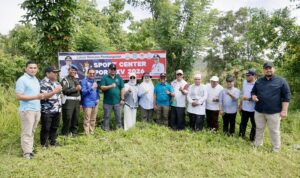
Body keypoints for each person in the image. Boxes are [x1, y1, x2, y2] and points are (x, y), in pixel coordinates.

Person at [251, 62, 291, 152]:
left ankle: (276, 148)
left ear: (274, 69)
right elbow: (253, 92)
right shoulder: (259, 81)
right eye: (266, 68)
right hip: (259, 111)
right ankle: (258, 144)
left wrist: (284, 110)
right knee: (259, 128)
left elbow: (287, 96)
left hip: (274, 112)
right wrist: (253, 96)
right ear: (263, 70)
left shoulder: (281, 81)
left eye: (270, 68)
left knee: (274, 131)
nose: (268, 70)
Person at [16, 61, 43, 159]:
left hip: (36, 109)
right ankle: (27, 153)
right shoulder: (22, 80)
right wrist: (36, 96)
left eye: (35, 68)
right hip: (27, 110)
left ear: (37, 69)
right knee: (27, 132)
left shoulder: (35, 79)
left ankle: (29, 150)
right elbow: (18, 96)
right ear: (26, 69)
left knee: (32, 131)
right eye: (31, 68)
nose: (33, 69)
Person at [40, 66, 63, 148]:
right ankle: (44, 144)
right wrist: (54, 91)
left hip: (57, 109)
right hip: (47, 110)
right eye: (54, 72)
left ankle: (53, 142)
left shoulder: (57, 83)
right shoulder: (42, 83)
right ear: (47, 73)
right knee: (46, 127)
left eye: (57, 72)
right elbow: (43, 96)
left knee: (55, 126)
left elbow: (59, 95)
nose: (56, 74)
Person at [100, 63, 125, 131]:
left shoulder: (119, 78)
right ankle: (106, 129)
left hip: (117, 102)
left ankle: (119, 129)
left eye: (114, 69)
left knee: (118, 117)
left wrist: (122, 99)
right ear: (109, 70)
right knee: (106, 117)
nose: (113, 70)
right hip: (107, 102)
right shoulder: (105, 77)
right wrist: (110, 86)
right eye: (112, 69)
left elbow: (122, 88)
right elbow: (102, 87)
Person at [61, 64, 81, 137]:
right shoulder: (65, 80)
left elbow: (79, 92)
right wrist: (75, 89)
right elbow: (65, 91)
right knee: (68, 118)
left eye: (75, 70)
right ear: (68, 70)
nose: (73, 71)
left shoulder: (76, 80)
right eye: (72, 70)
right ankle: (65, 134)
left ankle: (74, 134)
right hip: (68, 102)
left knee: (76, 118)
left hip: (77, 102)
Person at [238, 69, 256, 141]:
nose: (247, 77)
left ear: (253, 76)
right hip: (244, 108)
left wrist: (248, 99)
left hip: (253, 109)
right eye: (246, 75)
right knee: (243, 123)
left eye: (248, 76)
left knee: (254, 125)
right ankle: (241, 136)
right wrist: (240, 105)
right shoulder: (244, 82)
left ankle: (252, 138)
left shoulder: (257, 84)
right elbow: (243, 94)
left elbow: (258, 97)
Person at [81, 68, 100, 135]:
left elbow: (97, 91)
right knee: (87, 119)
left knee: (93, 119)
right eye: (90, 73)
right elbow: (83, 92)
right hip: (87, 102)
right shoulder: (84, 81)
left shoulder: (95, 81)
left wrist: (98, 98)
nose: (92, 74)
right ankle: (86, 133)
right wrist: (91, 88)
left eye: (93, 73)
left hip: (95, 103)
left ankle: (91, 132)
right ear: (87, 74)